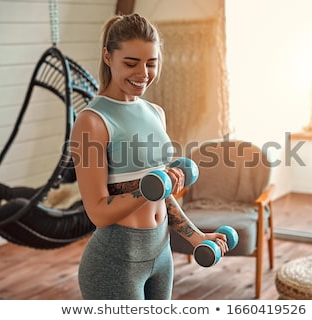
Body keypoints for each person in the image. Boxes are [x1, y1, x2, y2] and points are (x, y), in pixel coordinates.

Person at [70, 13, 228, 300]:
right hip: (115, 262)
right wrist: (150, 187)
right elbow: (98, 212)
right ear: (108, 56)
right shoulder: (92, 122)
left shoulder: (155, 113)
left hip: (161, 253)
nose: (143, 73)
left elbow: (161, 191)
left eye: (151, 63)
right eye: (131, 63)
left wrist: (196, 236)